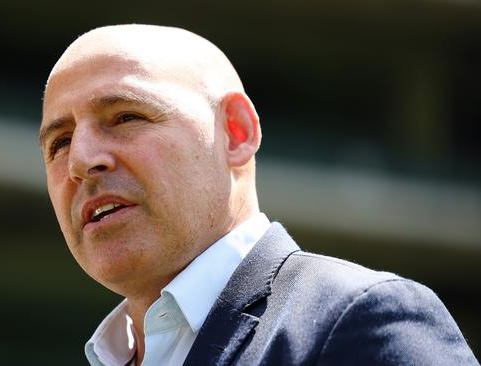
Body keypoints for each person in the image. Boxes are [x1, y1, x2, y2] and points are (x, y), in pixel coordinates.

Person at [39, 24, 478, 366]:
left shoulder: (358, 318)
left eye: (126, 116)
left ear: (236, 132)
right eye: (59, 143)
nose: (81, 160)